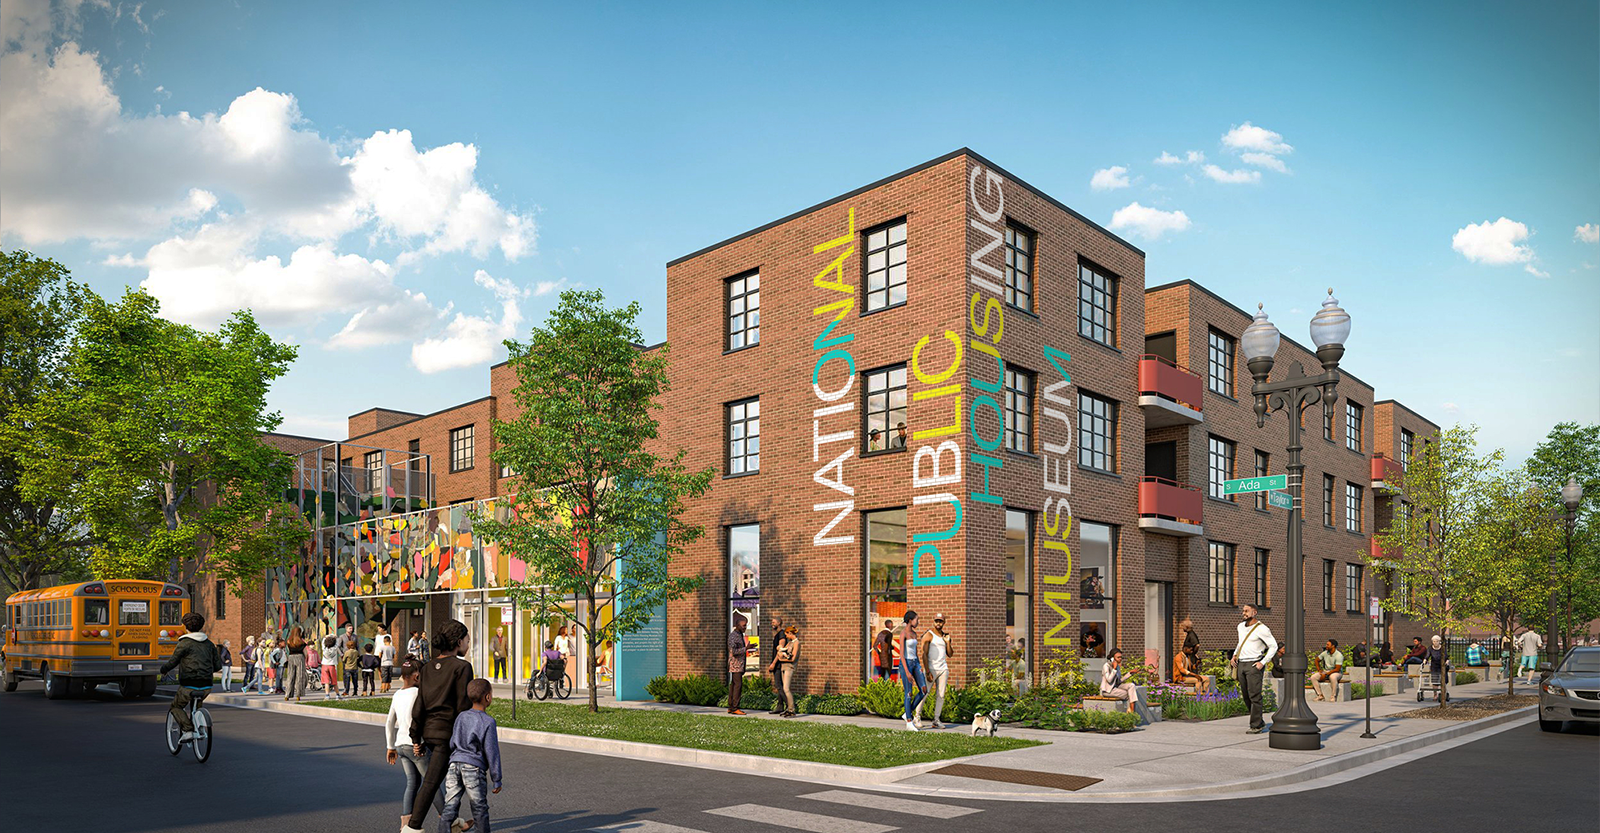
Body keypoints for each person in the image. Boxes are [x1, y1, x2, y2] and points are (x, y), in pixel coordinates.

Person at [403, 619, 475, 833]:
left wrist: (416, 738)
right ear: (457, 641)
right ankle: (412, 828)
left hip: (428, 732)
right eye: (467, 639)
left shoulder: (426, 669)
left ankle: (453, 823)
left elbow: (419, 706)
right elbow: (463, 706)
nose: (469, 643)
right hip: (448, 735)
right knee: (432, 783)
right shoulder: (462, 667)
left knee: (442, 780)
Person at [387, 655, 444, 832]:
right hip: (416, 746)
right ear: (417, 676)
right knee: (431, 783)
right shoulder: (419, 694)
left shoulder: (397, 694)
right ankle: (450, 819)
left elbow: (389, 721)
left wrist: (390, 746)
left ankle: (405, 823)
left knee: (412, 783)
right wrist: (418, 742)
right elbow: (418, 720)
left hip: (401, 746)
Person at [439, 678, 502, 833]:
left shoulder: (461, 716)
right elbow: (491, 751)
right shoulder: (488, 721)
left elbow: (453, 742)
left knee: (450, 806)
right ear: (488, 697)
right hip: (473, 767)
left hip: (454, 764)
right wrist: (496, 778)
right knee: (479, 808)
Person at [159, 612, 221, 745]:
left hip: (188, 684)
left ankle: (188, 730)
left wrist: (163, 670)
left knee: (176, 707)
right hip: (206, 685)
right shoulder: (209, 644)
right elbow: (217, 666)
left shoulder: (184, 643)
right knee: (197, 707)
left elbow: (173, 661)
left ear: (186, 626)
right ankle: (199, 729)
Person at [1230, 603, 1277, 734]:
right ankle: (1258, 720)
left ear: (1254, 612)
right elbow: (1241, 643)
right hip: (1241, 664)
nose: (1243, 613)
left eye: (1246, 611)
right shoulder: (1240, 627)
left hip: (1254, 665)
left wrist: (1262, 662)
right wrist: (1234, 655)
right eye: (1243, 611)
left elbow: (1273, 646)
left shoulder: (1262, 629)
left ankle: (1256, 725)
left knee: (1254, 695)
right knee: (1245, 695)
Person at [920, 613, 952, 728]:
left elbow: (950, 654)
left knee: (941, 695)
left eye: (941, 621)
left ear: (944, 622)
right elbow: (924, 654)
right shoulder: (929, 635)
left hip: (943, 668)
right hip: (931, 668)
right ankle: (916, 717)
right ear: (933, 621)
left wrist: (947, 642)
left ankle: (936, 720)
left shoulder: (945, 636)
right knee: (924, 693)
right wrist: (927, 671)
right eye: (936, 621)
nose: (938, 623)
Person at [898, 610, 927, 731]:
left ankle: (907, 713)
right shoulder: (903, 633)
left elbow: (915, 652)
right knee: (908, 693)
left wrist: (919, 666)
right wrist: (907, 671)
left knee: (924, 690)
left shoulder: (914, 634)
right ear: (910, 620)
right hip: (906, 664)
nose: (918, 622)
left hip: (915, 662)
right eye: (917, 619)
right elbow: (901, 654)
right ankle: (909, 722)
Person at [1099, 648, 1139, 714]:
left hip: (1116, 688)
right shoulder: (1106, 666)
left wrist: (1130, 673)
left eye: (1121, 657)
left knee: (1131, 686)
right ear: (1112, 658)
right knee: (1130, 694)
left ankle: (1131, 712)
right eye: (1118, 657)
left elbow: (1119, 681)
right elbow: (1109, 680)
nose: (1120, 659)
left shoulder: (1117, 666)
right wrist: (1114, 669)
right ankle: (1131, 713)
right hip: (1108, 691)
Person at [765, 616, 788, 715]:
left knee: (779, 686)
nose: (772, 623)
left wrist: (773, 663)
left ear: (779, 623)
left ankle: (789, 706)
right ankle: (780, 706)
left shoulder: (782, 634)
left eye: (773, 622)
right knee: (779, 685)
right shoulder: (778, 634)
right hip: (777, 664)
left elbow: (781, 650)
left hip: (779, 664)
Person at [775, 626, 799, 717]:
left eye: (787, 635)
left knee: (786, 688)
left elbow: (793, 658)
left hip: (789, 667)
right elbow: (781, 652)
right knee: (785, 689)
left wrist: (782, 659)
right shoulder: (789, 643)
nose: (786, 637)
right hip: (783, 667)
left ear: (790, 633)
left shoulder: (796, 643)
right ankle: (788, 709)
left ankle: (791, 710)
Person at [727, 614, 749, 715]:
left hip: (739, 664)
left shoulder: (740, 635)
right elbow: (733, 651)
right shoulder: (733, 636)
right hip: (735, 665)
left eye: (746, 625)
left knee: (734, 685)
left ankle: (731, 707)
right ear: (737, 625)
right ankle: (735, 707)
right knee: (737, 686)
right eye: (744, 625)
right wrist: (746, 648)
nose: (745, 627)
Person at [283, 627, 307, 701]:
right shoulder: (302, 642)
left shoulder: (289, 641)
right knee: (299, 676)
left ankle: (287, 695)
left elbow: (286, 651)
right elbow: (305, 653)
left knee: (290, 676)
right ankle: (298, 694)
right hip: (300, 657)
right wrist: (305, 659)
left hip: (291, 657)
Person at [320, 635, 341, 700]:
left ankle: (327, 695)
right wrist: (334, 637)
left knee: (326, 682)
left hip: (324, 666)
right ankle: (337, 695)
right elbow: (337, 643)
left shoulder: (324, 648)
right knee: (334, 682)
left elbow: (323, 641)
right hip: (331, 666)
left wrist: (327, 636)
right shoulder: (335, 648)